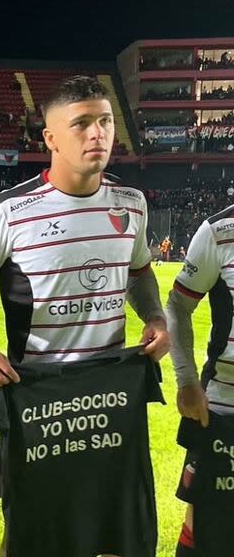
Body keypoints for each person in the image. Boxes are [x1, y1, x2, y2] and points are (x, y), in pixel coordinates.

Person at [0, 75, 170, 555]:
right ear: (50, 138)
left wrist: (155, 317)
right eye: (82, 124)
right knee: (31, 538)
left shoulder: (130, 205)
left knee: (116, 533)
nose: (98, 134)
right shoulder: (9, 212)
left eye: (106, 121)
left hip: (111, 400)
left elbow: (139, 274)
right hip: (40, 403)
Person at [166, 206, 234, 556]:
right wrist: (187, 379)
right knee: (207, 526)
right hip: (223, 409)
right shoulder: (220, 231)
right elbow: (177, 306)